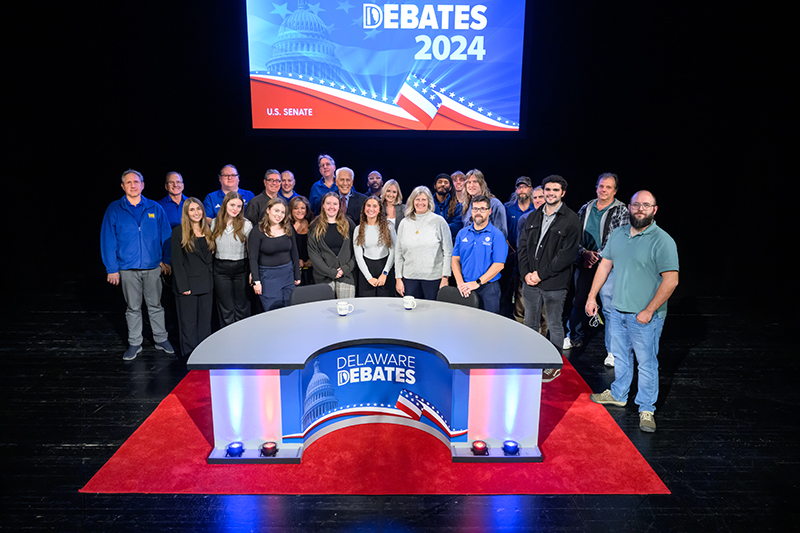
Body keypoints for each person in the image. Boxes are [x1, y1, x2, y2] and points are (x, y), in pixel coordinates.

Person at [586, 190, 679, 433]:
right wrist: (591, 295)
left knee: (646, 363)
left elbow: (671, 280)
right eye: (636, 205)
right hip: (617, 311)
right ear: (629, 207)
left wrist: (649, 310)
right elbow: (605, 265)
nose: (640, 209)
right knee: (620, 356)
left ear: (654, 210)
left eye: (646, 205)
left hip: (645, 316)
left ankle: (646, 408)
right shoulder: (618, 234)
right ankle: (619, 394)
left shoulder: (663, 240)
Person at [101, 169, 174, 361]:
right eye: (129, 182)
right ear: (123, 186)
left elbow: (167, 236)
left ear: (143, 185)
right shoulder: (114, 209)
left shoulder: (155, 208)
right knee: (132, 307)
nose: (133, 185)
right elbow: (108, 240)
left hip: (152, 267)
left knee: (155, 305)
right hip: (127, 269)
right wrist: (112, 269)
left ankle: (161, 339)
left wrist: (166, 261)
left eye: (136, 182)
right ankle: (135, 342)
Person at [518, 175, 581, 383]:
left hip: (554, 283)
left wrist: (540, 274)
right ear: (543, 191)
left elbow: (566, 255)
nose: (551, 193)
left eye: (555, 190)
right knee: (530, 322)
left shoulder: (571, 219)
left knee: (554, 323)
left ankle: (553, 364)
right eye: (547, 190)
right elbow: (523, 248)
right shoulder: (533, 217)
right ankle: (530, 358)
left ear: (562, 193)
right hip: (530, 282)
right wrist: (526, 273)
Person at [564, 173, 629, 367]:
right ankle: (574, 336)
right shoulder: (587, 207)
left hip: (608, 265)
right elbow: (574, 235)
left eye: (608, 187)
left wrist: (598, 255)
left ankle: (613, 352)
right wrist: (584, 253)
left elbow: (622, 238)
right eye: (601, 186)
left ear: (615, 191)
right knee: (579, 301)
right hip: (585, 262)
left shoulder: (621, 210)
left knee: (609, 308)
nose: (604, 190)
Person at [171, 198, 214, 357]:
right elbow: (177, 262)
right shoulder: (178, 232)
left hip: (206, 284)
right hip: (188, 285)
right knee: (188, 325)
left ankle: (204, 356)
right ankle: (190, 357)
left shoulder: (208, 230)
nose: (196, 213)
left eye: (199, 209)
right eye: (192, 210)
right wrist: (183, 287)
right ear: (186, 213)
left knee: (204, 324)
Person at [451, 195, 508, 313]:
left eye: (482, 209)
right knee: (465, 324)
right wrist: (460, 282)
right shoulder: (462, 234)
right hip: (465, 287)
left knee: (488, 326)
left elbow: (499, 265)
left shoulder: (497, 235)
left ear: (489, 211)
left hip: (488, 288)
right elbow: (455, 259)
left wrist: (477, 283)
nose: (478, 212)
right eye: (475, 209)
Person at [395, 186, 453, 300]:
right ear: (412, 201)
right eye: (417, 199)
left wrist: (445, 277)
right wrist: (398, 279)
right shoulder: (404, 223)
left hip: (433, 279)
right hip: (409, 278)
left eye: (423, 199)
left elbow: (448, 252)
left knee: (432, 315)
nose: (420, 202)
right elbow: (398, 253)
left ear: (429, 202)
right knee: (410, 315)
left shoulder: (439, 221)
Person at [248, 198, 301, 311]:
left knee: (290, 309)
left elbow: (294, 252)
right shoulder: (257, 231)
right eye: (276, 210)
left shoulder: (288, 228)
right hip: (268, 277)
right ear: (268, 210)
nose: (279, 215)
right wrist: (256, 281)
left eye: (282, 212)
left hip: (288, 274)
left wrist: (297, 274)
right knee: (273, 312)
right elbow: (253, 258)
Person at [210, 191, 253, 327]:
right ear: (225, 204)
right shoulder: (215, 223)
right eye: (232, 205)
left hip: (241, 268)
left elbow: (251, 251)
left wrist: (252, 272)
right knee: (225, 307)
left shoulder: (246, 225)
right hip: (220, 269)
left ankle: (242, 336)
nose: (235, 209)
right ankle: (227, 339)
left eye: (239, 206)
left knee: (242, 306)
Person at [307, 192, 356, 298]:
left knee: (346, 311)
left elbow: (356, 251)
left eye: (335, 204)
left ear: (339, 206)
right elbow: (314, 254)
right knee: (326, 312)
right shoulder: (314, 226)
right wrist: (330, 272)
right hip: (323, 278)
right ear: (323, 205)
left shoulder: (349, 224)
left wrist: (346, 269)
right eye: (328, 203)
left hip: (346, 276)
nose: (331, 207)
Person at [501, 176, 535, 318]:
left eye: (525, 187)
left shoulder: (535, 208)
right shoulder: (508, 207)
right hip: (509, 256)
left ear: (531, 189)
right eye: (519, 187)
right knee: (506, 291)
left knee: (522, 292)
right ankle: (503, 319)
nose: (522, 190)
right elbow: (502, 230)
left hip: (526, 257)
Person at [354, 196, 396, 297]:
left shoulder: (389, 227)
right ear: (364, 209)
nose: (371, 209)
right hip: (366, 270)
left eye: (374, 206)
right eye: (368, 206)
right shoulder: (358, 229)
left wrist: (384, 273)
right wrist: (368, 277)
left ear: (379, 210)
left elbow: (394, 251)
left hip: (385, 269)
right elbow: (358, 256)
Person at [461, 169, 508, 238]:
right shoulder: (466, 205)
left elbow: (501, 233)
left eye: (475, 182)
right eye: (469, 182)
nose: (471, 185)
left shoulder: (495, 204)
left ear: (482, 184)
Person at [287, 196, 314, 286]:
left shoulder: (313, 224)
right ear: (291, 210)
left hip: (312, 269)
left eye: (303, 208)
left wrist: (313, 259)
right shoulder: (286, 226)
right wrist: (295, 260)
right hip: (293, 270)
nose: (300, 211)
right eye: (296, 208)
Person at [432, 173, 463, 240]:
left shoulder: (458, 206)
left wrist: (436, 228)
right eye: (440, 182)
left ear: (450, 187)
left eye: (446, 182)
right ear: (435, 186)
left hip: (450, 242)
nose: (443, 184)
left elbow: (456, 227)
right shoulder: (428, 204)